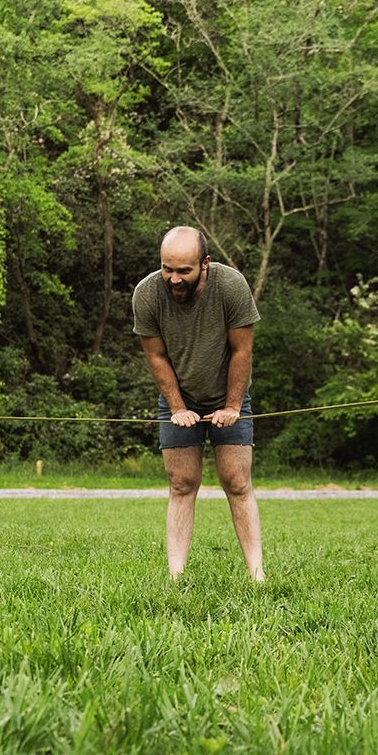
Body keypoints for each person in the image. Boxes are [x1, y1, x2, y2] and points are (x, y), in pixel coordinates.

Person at [132, 226, 265, 581]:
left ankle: (257, 574)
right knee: (182, 483)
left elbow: (242, 350)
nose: (173, 279)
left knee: (237, 481)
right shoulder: (147, 294)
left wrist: (233, 405)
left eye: (183, 271)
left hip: (229, 394)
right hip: (179, 393)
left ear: (204, 264)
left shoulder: (231, 286)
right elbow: (156, 358)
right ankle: (175, 577)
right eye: (167, 269)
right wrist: (177, 407)